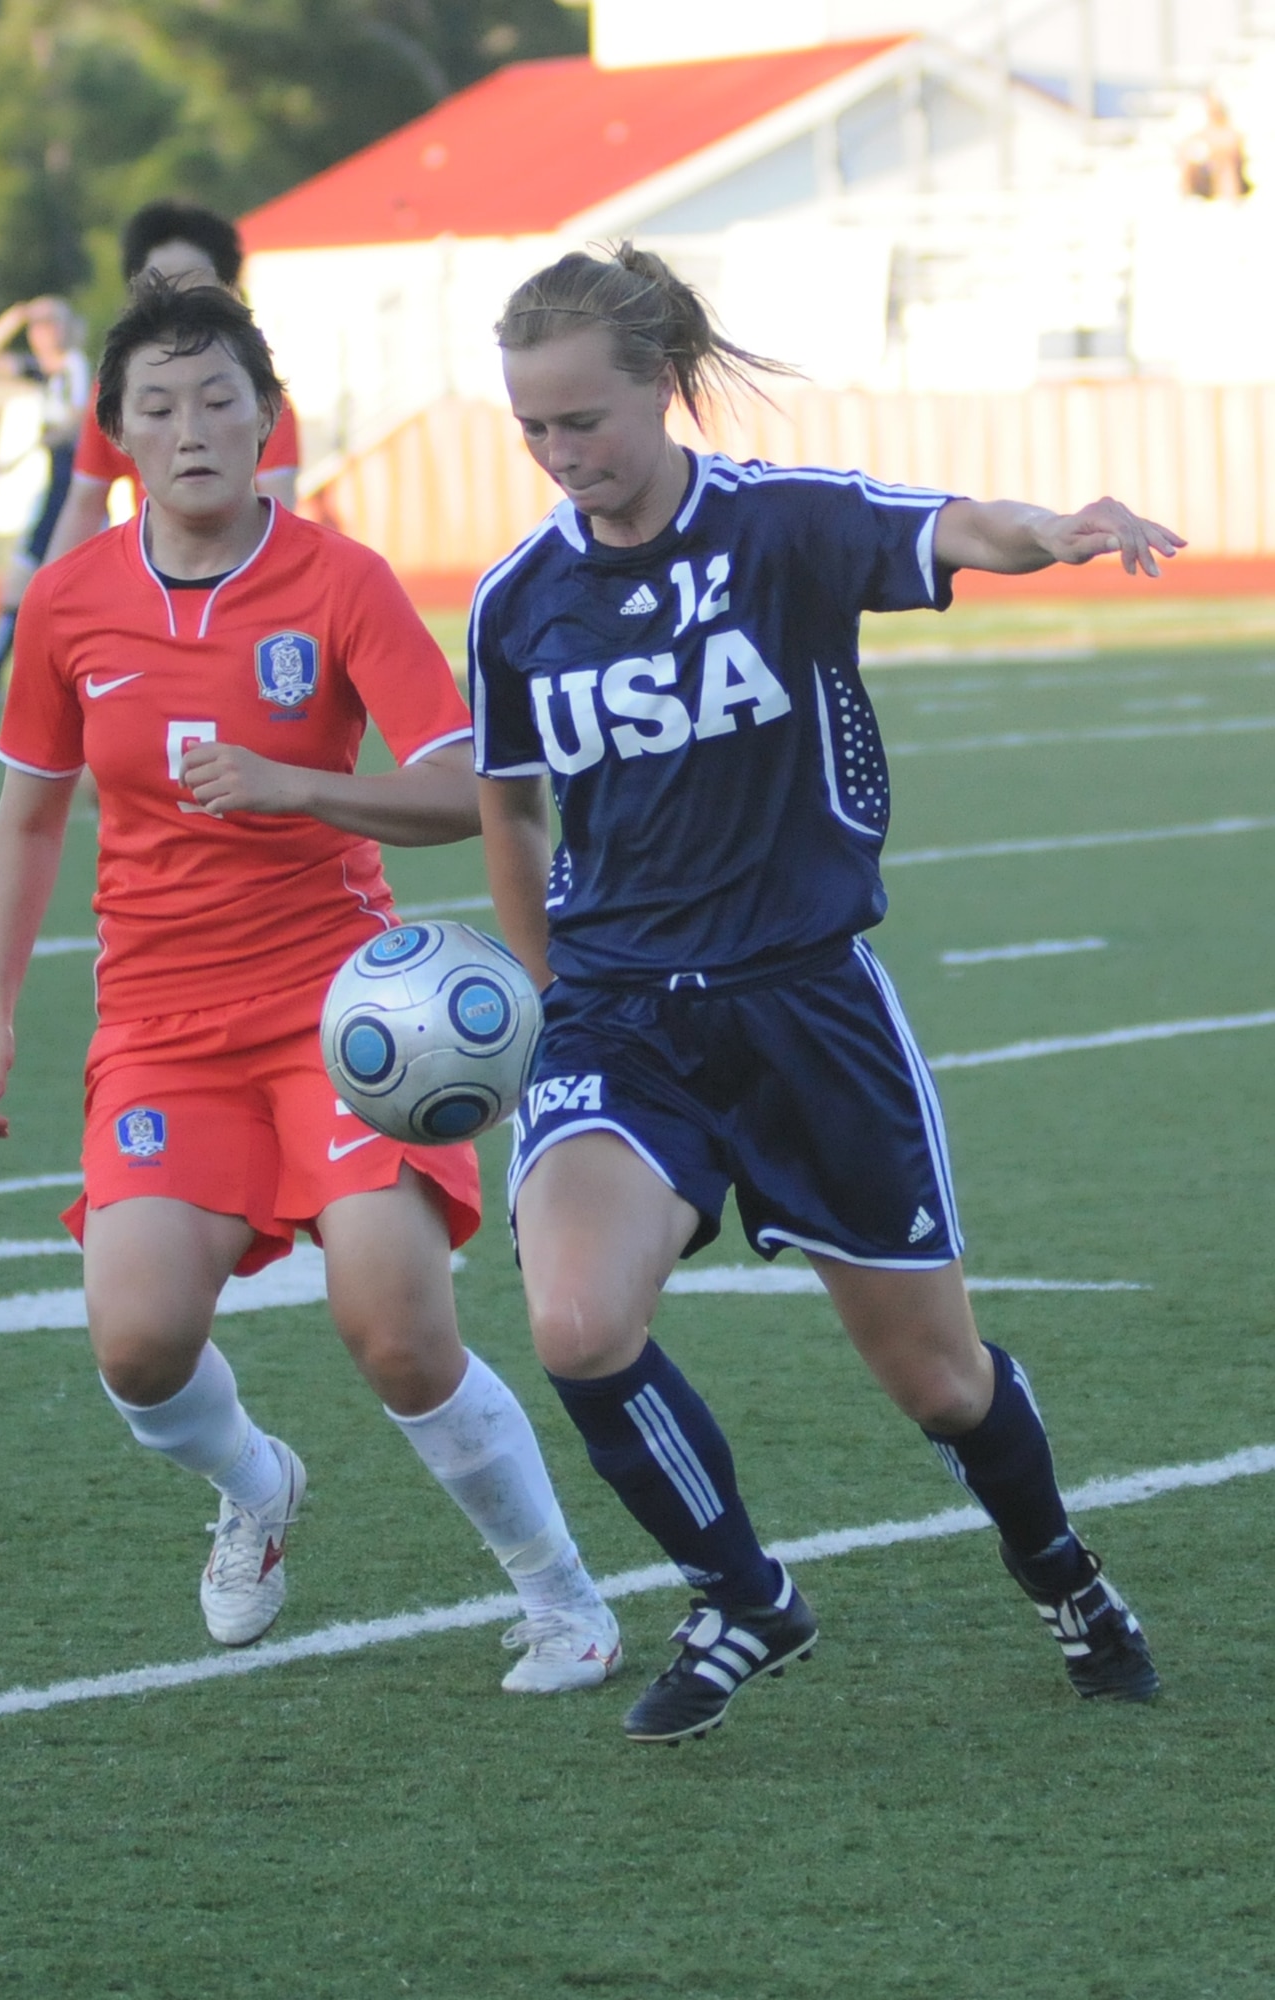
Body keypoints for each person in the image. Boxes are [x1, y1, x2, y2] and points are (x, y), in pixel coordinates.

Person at [469, 244, 1184, 1746]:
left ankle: (1059, 1571)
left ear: (659, 389)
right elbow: (512, 811)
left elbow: (948, 526)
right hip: (616, 1016)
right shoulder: (519, 602)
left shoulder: (780, 525)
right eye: (531, 427)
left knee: (937, 1383)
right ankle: (741, 1591)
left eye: (582, 421)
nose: (558, 454)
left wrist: (1052, 529)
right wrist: (545, 1005)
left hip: (804, 1006)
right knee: (577, 1322)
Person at [0, 277, 620, 1694]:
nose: (190, 428)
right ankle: (256, 1487)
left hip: (342, 1018)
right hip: (159, 1030)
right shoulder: (71, 604)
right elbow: (29, 816)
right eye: (156, 406)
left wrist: (290, 786)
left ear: (268, 417)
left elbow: (465, 792)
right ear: (115, 437)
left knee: (392, 1323)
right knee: (137, 1344)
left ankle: (561, 1596)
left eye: (217, 399)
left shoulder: (338, 581)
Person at [41, 200, 300, 575]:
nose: (176, 297)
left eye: (192, 282)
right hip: (154, 577)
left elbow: (281, 512)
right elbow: (84, 505)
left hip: (242, 578)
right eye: (159, 282)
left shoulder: (256, 402)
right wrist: (47, 601)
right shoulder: (115, 396)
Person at [0, 297, 90, 708]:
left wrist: (39, 442)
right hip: (57, 490)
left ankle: (4, 681)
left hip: (71, 494)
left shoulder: (74, 366)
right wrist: (15, 314)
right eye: (39, 324)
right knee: (23, 588)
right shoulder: (47, 372)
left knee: (47, 590)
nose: (43, 332)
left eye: (51, 323)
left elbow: (75, 420)